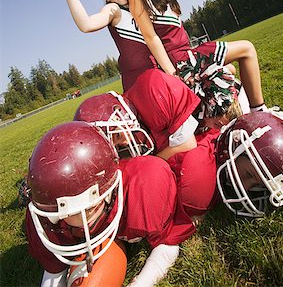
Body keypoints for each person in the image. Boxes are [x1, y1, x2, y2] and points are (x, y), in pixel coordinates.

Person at [120, 0, 283, 117]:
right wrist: (172, 72)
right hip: (180, 61)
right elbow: (151, 36)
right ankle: (261, 113)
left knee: (229, 71)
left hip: (187, 54)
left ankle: (244, 114)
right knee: (247, 49)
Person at [25, 121, 195, 287]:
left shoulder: (145, 186)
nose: (77, 219)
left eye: (88, 209)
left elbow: (167, 244)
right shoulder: (44, 214)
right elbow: (54, 271)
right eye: (64, 214)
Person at [74, 69, 242, 220]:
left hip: (191, 131)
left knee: (196, 186)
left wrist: (153, 161)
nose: (125, 141)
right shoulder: (136, 121)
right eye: (117, 142)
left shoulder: (154, 94)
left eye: (118, 135)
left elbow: (188, 144)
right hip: (188, 127)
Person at [43, 0, 156, 91]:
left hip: (161, 76)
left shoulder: (143, 6)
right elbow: (86, 24)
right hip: (139, 85)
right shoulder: (114, 10)